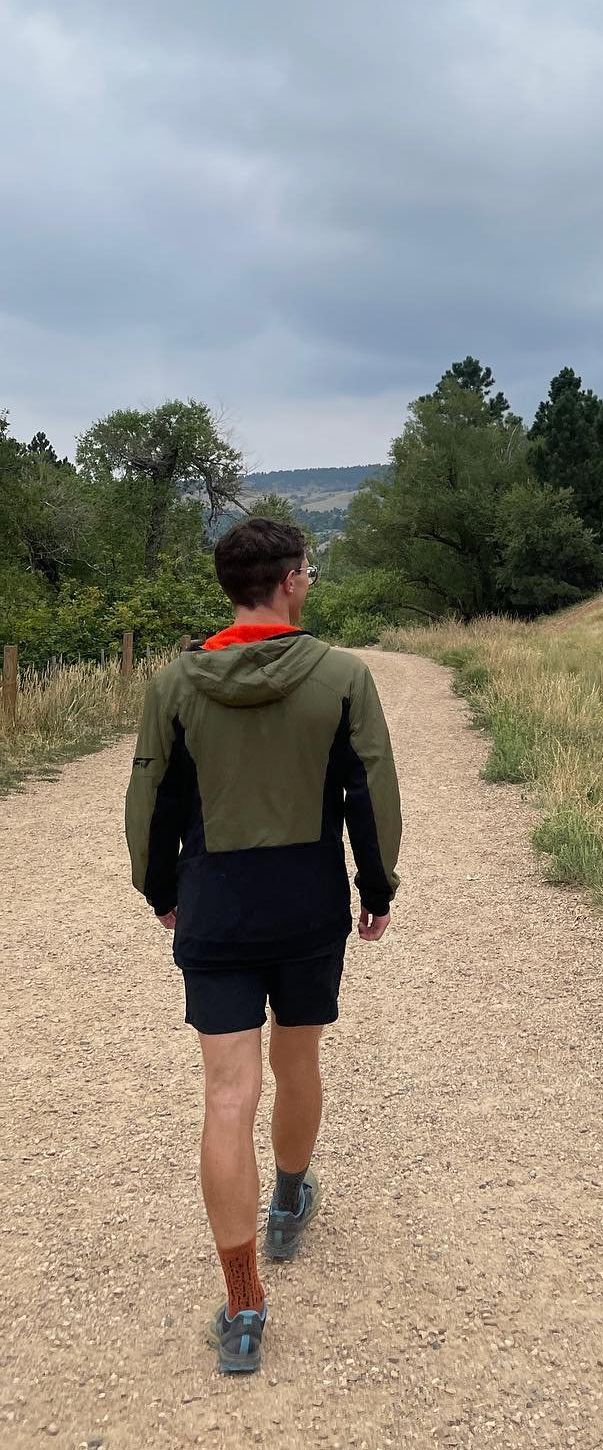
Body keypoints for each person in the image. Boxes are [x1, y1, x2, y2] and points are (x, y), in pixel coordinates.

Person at [125, 518, 402, 1375]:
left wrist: (162, 889)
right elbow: (370, 789)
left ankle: (244, 1304)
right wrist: (376, 887)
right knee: (300, 1060)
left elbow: (151, 803)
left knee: (225, 1096)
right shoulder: (345, 676)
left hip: (217, 909)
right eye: (307, 571)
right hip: (308, 906)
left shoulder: (175, 684)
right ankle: (289, 1199)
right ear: (288, 582)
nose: (310, 582)